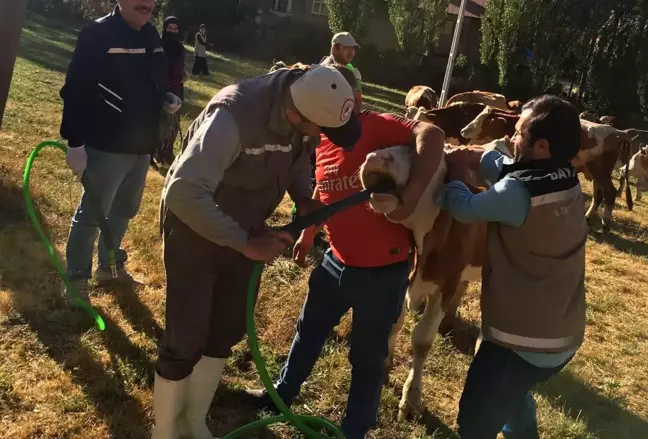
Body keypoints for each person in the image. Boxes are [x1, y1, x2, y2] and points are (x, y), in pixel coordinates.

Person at [151, 63, 362, 439]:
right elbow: (183, 192)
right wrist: (244, 242)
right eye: (321, 131)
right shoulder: (233, 116)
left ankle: (194, 422)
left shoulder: (304, 107)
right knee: (186, 335)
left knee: (226, 328)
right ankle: (166, 431)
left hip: (248, 233)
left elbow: (297, 161)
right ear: (295, 114)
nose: (322, 138)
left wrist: (303, 197)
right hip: (195, 230)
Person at [247, 68, 446, 439]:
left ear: (355, 101)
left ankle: (354, 430)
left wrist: (414, 193)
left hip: (382, 271)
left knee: (367, 358)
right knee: (308, 331)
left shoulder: (375, 125)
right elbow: (327, 196)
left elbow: (431, 134)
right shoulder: (322, 140)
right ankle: (281, 395)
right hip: (336, 260)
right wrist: (308, 237)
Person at [436, 95, 586, 439]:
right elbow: (512, 172)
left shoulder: (517, 193)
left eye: (518, 133)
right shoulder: (566, 177)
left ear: (542, 145)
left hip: (521, 341)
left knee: (476, 418)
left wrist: (458, 172)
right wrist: (481, 157)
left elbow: (465, 207)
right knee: (512, 393)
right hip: (563, 336)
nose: (511, 139)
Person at [59, 0, 181, 301]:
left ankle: (109, 267)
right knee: (92, 215)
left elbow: (153, 81)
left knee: (124, 211)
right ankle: (76, 281)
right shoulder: (97, 34)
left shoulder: (152, 36)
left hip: (141, 148)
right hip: (107, 145)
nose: (147, 4)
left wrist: (166, 97)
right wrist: (75, 143)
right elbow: (74, 89)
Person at [155, 15, 187, 167]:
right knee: (158, 123)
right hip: (159, 88)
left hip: (176, 89)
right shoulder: (157, 45)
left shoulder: (180, 48)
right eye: (170, 28)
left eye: (175, 29)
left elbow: (180, 66)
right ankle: (152, 153)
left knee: (174, 123)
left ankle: (167, 153)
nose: (172, 31)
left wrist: (183, 74)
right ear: (164, 28)